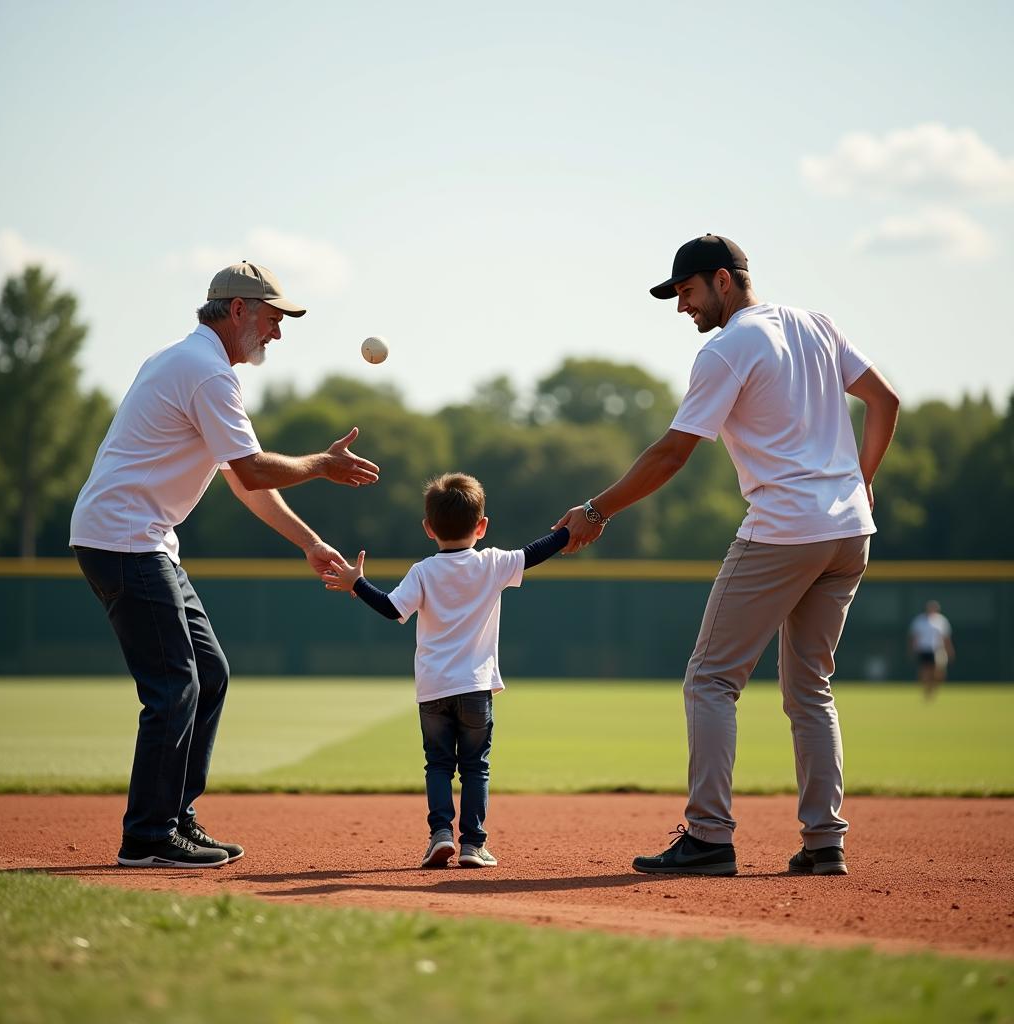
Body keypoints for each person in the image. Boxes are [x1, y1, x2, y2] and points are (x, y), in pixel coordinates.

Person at [555, 234, 900, 878]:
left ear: (722, 279)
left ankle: (709, 836)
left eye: (685, 291)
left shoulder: (728, 346)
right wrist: (862, 480)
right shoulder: (814, 325)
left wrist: (596, 509)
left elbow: (672, 453)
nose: (681, 306)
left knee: (711, 680)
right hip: (850, 532)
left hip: (782, 531)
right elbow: (885, 401)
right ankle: (825, 842)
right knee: (810, 690)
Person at [70, 262, 380, 869]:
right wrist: (320, 464)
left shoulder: (187, 362)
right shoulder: (205, 372)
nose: (277, 333)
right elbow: (255, 469)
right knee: (174, 686)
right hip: (124, 539)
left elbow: (245, 483)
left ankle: (173, 818)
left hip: (143, 540)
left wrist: (308, 541)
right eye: (271, 318)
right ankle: (147, 835)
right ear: (237, 310)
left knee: (208, 674)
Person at [322, 473, 569, 869]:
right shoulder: (493, 563)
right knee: (475, 767)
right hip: (475, 688)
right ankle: (472, 844)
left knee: (437, 764)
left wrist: (358, 583)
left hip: (433, 689)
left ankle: (440, 835)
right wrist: (574, 525)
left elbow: (391, 609)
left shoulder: (422, 571)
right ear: (482, 525)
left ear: (428, 527)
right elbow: (537, 550)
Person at [909, 600, 955, 699]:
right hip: (923, 649)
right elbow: (914, 637)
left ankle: (933, 688)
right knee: (925, 671)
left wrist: (949, 650)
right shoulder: (919, 621)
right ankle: (927, 690)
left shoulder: (942, 621)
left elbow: (946, 638)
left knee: (939, 672)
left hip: (938, 649)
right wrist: (913, 649)